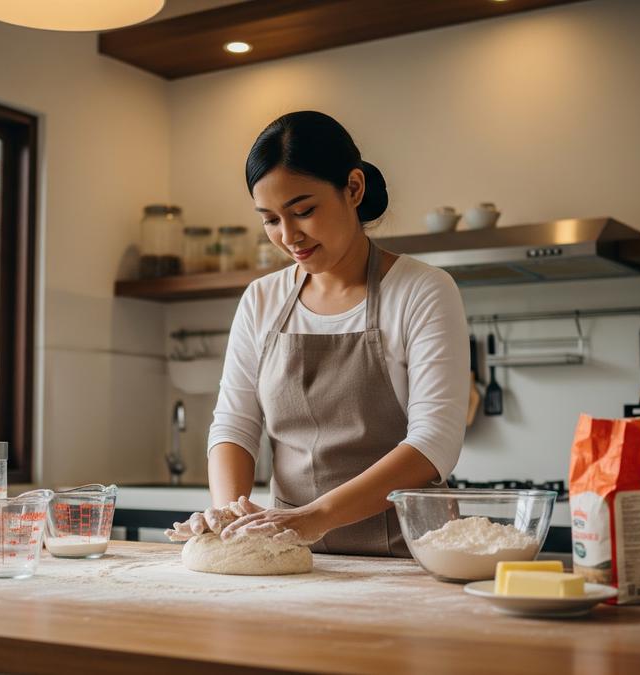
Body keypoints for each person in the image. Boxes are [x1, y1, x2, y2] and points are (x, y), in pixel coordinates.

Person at [166, 111, 470, 556]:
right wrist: (230, 515)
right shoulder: (261, 300)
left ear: (353, 188)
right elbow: (235, 424)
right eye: (270, 219)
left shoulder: (421, 290)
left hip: (413, 555)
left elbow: (433, 445)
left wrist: (316, 517)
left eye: (303, 211)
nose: (289, 236)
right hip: (292, 555)